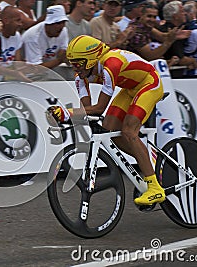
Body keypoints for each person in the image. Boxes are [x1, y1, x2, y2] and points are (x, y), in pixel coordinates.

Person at [49, 35, 166, 205]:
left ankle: (155, 187)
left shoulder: (111, 64)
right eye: (72, 63)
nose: (76, 68)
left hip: (149, 84)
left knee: (128, 131)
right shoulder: (80, 77)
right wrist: (68, 117)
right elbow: (88, 111)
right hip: (129, 88)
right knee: (108, 130)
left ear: (90, 60)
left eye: (78, 63)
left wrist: (67, 114)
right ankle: (148, 163)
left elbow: (99, 108)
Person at [21, 5, 69, 70]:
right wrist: (59, 60)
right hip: (29, 74)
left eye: (63, 22)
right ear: (48, 24)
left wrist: (63, 56)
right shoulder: (32, 37)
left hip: (50, 71)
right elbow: (36, 68)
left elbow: (63, 50)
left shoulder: (63, 30)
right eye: (57, 23)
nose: (61, 26)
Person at [158, 1, 197, 77]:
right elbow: (181, 59)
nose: (185, 13)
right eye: (182, 11)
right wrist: (193, 61)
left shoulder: (161, 28)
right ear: (175, 16)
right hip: (171, 76)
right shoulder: (174, 33)